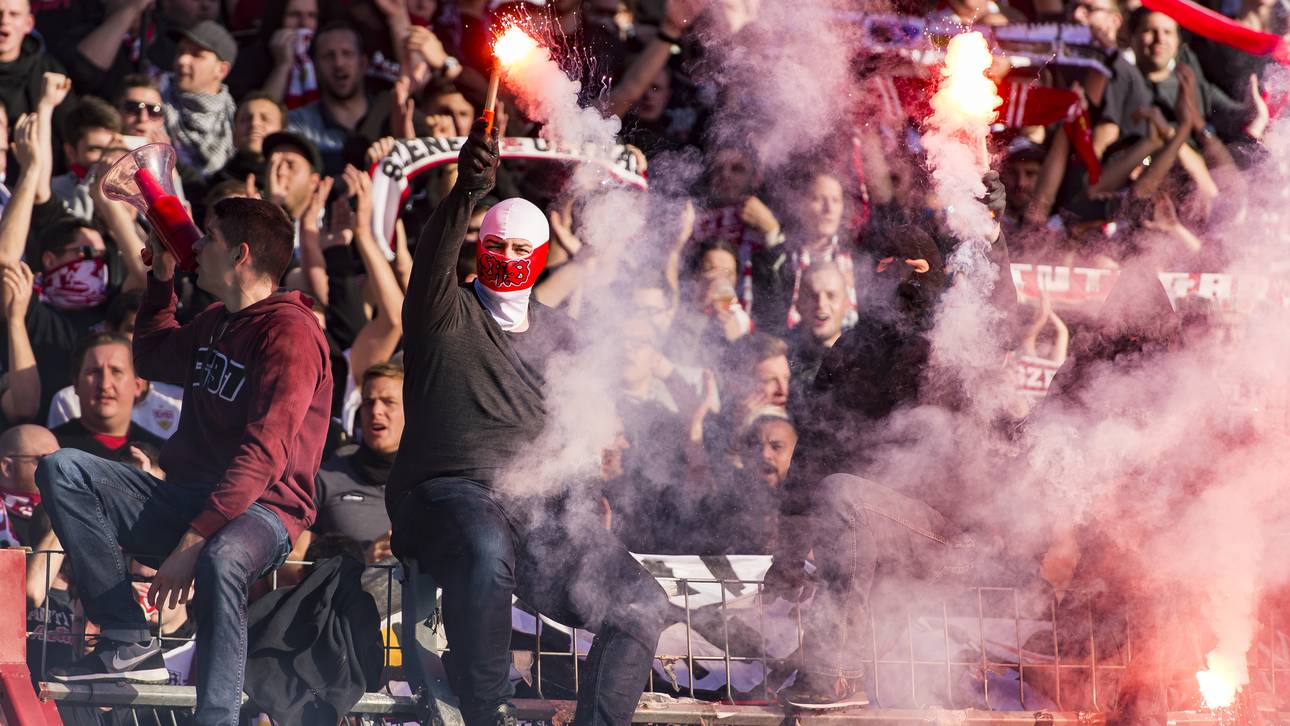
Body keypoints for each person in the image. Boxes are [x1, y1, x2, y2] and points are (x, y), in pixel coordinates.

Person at [386, 119, 669, 726]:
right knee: (485, 544)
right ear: (475, 247)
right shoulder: (443, 310)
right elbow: (434, 257)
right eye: (494, 246)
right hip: (445, 496)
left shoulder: (561, 334)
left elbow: (573, 433)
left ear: (540, 258)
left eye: (520, 250)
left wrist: (585, 498)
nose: (506, 259)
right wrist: (465, 191)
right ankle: (485, 713)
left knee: (643, 602)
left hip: (535, 512)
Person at [35, 196, 332, 726]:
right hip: (191, 497)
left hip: (264, 508)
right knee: (64, 469)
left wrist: (191, 543)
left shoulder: (290, 332)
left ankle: (216, 719)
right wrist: (161, 280)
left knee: (221, 559)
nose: (194, 244)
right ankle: (127, 640)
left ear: (240, 254)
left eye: (208, 237)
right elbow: (150, 357)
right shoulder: (219, 317)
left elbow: (264, 454)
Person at [313, 361, 403, 559]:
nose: (376, 411)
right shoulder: (326, 477)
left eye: (388, 402)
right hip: (343, 590)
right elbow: (291, 568)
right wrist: (363, 564)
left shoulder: (430, 481)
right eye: (368, 402)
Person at [50, 332, 164, 459]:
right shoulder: (51, 450)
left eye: (116, 371)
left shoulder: (163, 455)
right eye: (94, 372)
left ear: (138, 385)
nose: (104, 385)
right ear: (76, 384)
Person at [287, 22, 370, 175]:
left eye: (347, 53)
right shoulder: (297, 123)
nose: (339, 63)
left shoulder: (389, 114)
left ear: (363, 63)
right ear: (315, 67)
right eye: (328, 56)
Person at [162, 20, 238, 178]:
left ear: (221, 70)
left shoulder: (238, 120)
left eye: (196, 55)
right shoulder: (153, 107)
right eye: (180, 51)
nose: (182, 60)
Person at [50, 96, 121, 222]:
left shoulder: (131, 189)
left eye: (111, 148)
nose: (106, 158)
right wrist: (95, 182)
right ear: (70, 152)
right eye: (96, 149)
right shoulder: (54, 191)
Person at [787, 262, 849, 398]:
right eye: (812, 296)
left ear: (846, 305)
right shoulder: (782, 359)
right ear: (798, 305)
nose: (821, 304)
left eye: (831, 296)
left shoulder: (860, 357)